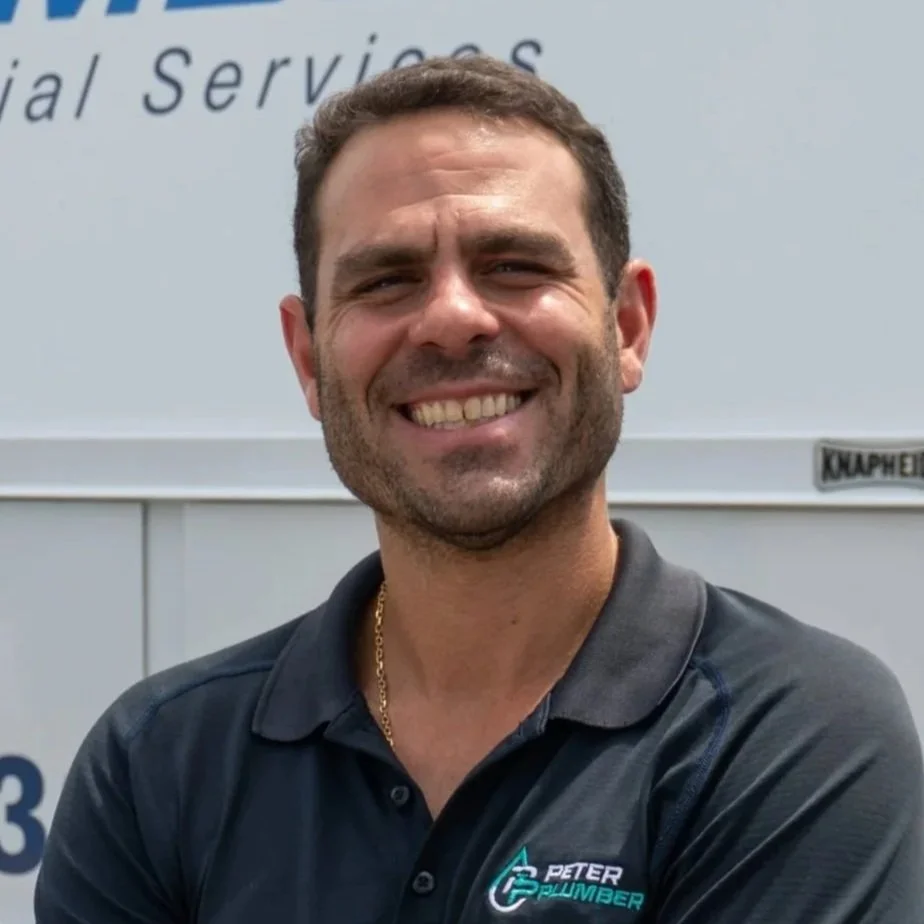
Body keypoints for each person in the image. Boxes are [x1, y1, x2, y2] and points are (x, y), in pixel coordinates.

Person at [35, 55, 922, 923]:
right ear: (307, 357)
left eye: (515, 266)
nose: (454, 318)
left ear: (627, 325)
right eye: (387, 280)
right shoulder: (157, 759)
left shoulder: (795, 735)